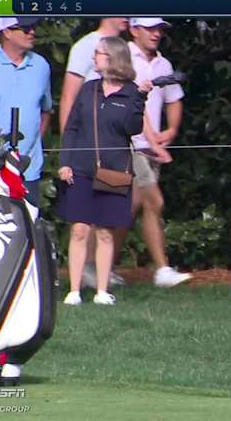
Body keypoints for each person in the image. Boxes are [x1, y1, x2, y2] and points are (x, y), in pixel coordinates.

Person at [57, 36, 145, 306]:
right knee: (79, 229)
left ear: (113, 58)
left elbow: (133, 128)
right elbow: (72, 127)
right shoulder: (88, 89)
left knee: (105, 232)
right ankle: (74, 290)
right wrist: (65, 161)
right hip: (81, 169)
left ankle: (102, 291)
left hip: (114, 171)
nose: (94, 57)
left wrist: (141, 98)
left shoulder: (131, 92)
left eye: (99, 53)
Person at [122, 17, 192, 287]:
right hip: (127, 144)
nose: (156, 34)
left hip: (151, 147)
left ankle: (96, 267)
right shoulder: (122, 56)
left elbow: (174, 99)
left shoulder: (164, 64)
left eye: (159, 29)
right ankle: (162, 269)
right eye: (150, 28)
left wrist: (171, 130)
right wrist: (152, 140)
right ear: (134, 30)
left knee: (128, 209)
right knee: (154, 202)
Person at [0, 17, 52, 205]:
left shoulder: (41, 66)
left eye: (33, 27)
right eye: (25, 28)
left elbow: (46, 110)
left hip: (28, 170)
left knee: (29, 228)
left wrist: (33, 143)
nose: (32, 32)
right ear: (6, 32)